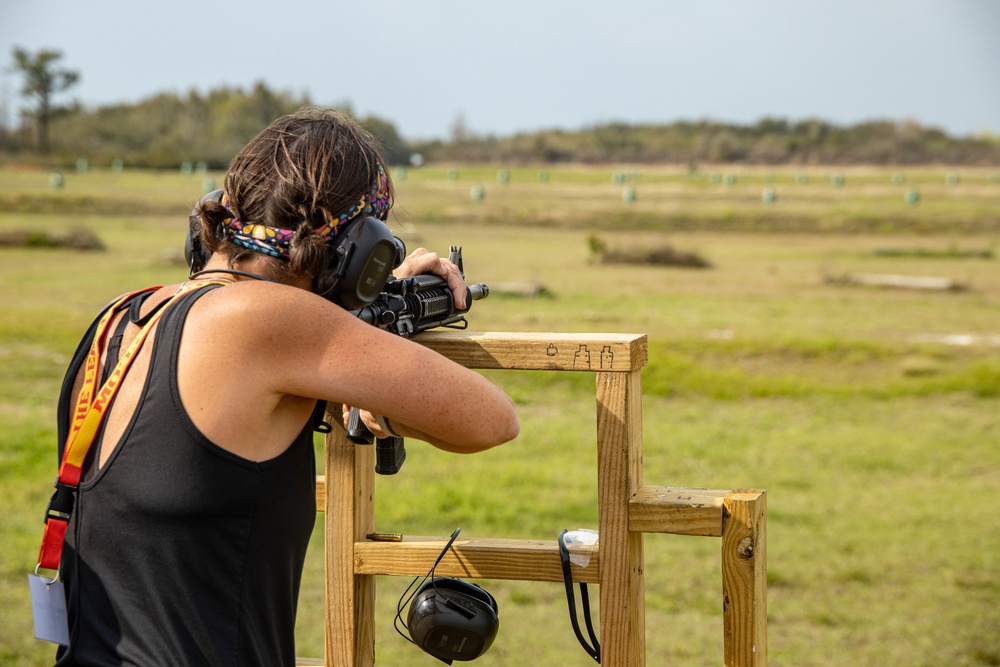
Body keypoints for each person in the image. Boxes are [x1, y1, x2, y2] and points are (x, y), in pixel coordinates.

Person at [49, 107, 519, 666]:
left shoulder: (122, 316)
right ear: (361, 252)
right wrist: (367, 350)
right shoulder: (274, 321)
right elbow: (491, 420)